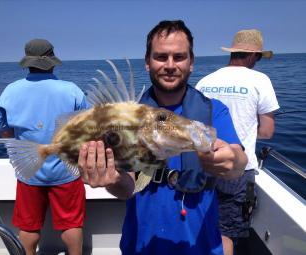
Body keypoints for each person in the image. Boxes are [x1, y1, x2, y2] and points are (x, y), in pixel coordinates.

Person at [77, 20, 248, 255]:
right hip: (142, 246)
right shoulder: (127, 118)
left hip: (201, 247)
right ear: (147, 62)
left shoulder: (213, 111)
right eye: (161, 56)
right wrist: (111, 179)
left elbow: (238, 162)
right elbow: (126, 188)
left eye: (179, 57)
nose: (170, 65)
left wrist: (232, 162)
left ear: (191, 63)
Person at [0, 39, 89, 255]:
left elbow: (4, 129)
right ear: (52, 62)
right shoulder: (71, 90)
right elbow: (86, 128)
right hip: (67, 170)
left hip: (29, 170)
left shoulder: (10, 91)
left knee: (28, 227)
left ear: (27, 63)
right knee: (71, 224)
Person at [195, 29, 280, 255]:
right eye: (259, 57)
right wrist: (247, 132)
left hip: (202, 164)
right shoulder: (260, 80)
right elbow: (268, 131)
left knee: (200, 225)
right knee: (226, 234)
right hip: (238, 169)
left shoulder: (205, 81)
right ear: (253, 56)